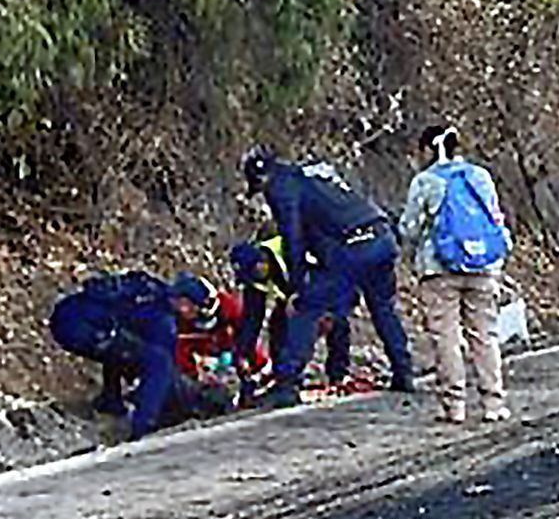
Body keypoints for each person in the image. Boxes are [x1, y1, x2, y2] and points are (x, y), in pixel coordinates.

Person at [241, 147, 414, 408]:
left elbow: (293, 237)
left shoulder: (282, 187)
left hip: (352, 246)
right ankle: (404, 372)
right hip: (382, 237)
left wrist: (296, 288)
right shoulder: (316, 176)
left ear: (261, 178)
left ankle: (286, 385)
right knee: (382, 307)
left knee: (307, 306)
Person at [398, 124, 512, 426]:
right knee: (485, 335)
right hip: (484, 266)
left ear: (427, 150)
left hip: (439, 270)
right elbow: (495, 217)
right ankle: (493, 403)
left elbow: (409, 228)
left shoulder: (425, 181)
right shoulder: (480, 176)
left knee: (446, 337)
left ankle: (455, 406)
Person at [48, 271, 215, 439]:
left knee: (124, 347)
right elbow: (162, 369)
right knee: (159, 362)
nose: (195, 317)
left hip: (66, 314)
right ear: (185, 303)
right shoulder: (162, 321)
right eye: (197, 311)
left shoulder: (152, 289)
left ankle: (111, 402)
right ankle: (143, 427)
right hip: (83, 328)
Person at [228, 234, 351, 405]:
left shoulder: (291, 248)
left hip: (328, 282)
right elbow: (252, 318)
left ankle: (337, 375)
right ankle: (282, 379)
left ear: (261, 264)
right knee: (278, 324)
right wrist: (243, 353)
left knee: (322, 322)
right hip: (295, 294)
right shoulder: (256, 275)